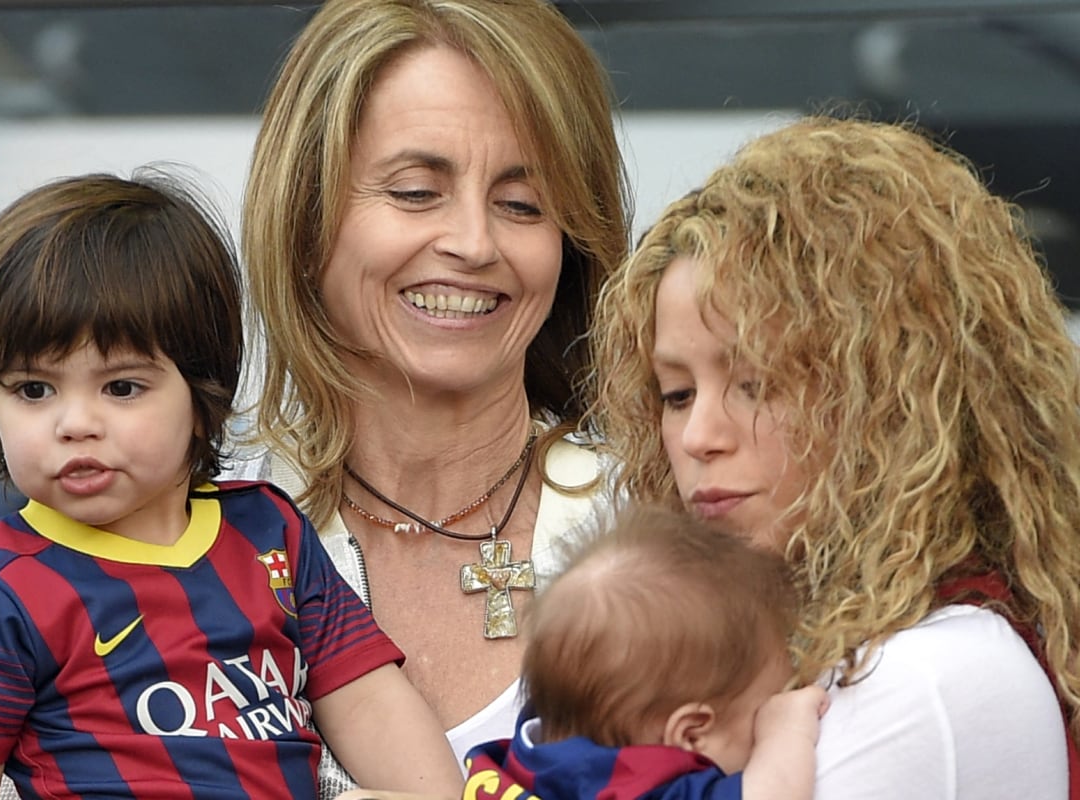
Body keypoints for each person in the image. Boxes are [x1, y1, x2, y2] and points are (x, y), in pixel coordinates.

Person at [0, 172, 462, 800]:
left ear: (202, 397)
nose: (74, 423)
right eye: (34, 390)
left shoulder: (270, 530)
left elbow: (368, 701)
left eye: (121, 387)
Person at [588, 115, 1080, 798]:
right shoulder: (814, 654)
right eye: (675, 394)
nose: (699, 435)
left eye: (757, 384)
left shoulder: (919, 677)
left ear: (896, 394)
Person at [238, 0, 630, 792]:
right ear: (305, 217)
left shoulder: (658, 522)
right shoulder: (188, 538)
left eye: (522, 205)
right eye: (417, 192)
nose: (474, 244)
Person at [464, 503, 828, 800]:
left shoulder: (509, 765)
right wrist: (787, 727)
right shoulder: (655, 791)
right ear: (691, 736)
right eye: (771, 702)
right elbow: (775, 791)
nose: (789, 696)